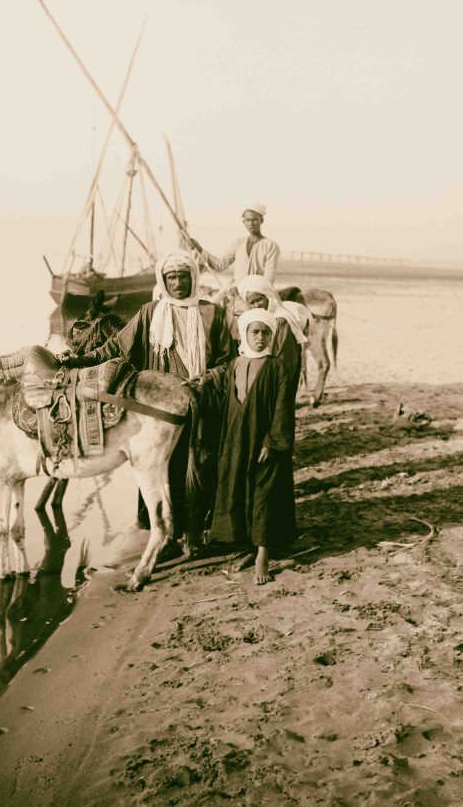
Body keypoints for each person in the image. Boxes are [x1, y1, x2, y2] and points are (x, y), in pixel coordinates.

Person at [59, 250, 233, 549]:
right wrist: (76, 361)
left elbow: (228, 359)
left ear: (193, 277)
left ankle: (194, 534)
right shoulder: (151, 312)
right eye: (171, 277)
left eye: (183, 276)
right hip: (157, 411)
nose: (177, 283)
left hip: (200, 402)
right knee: (159, 470)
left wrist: (205, 380)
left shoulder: (211, 313)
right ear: (163, 281)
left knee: (199, 467)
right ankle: (161, 536)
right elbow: (115, 347)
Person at [203, 309, 297, 584]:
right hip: (236, 439)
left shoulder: (278, 367)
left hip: (264, 441)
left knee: (264, 494)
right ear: (244, 333)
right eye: (255, 332)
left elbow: (283, 409)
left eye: (265, 332)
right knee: (236, 489)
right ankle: (245, 545)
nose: (260, 337)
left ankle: (263, 556)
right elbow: (222, 398)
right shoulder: (235, 364)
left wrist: (273, 442)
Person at [236, 274, 306, 395]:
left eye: (259, 299)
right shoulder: (256, 320)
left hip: (278, 378)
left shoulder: (280, 321)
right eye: (252, 302)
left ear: (268, 296)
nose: (257, 305)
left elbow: (284, 360)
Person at [189, 202, 280, 289]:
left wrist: (257, 293)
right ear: (244, 222)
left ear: (261, 221)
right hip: (238, 292)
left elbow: (269, 279)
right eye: (248, 220)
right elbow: (220, 265)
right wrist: (199, 248)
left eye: (255, 220)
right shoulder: (238, 243)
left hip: (258, 294)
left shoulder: (271, 246)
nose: (251, 224)